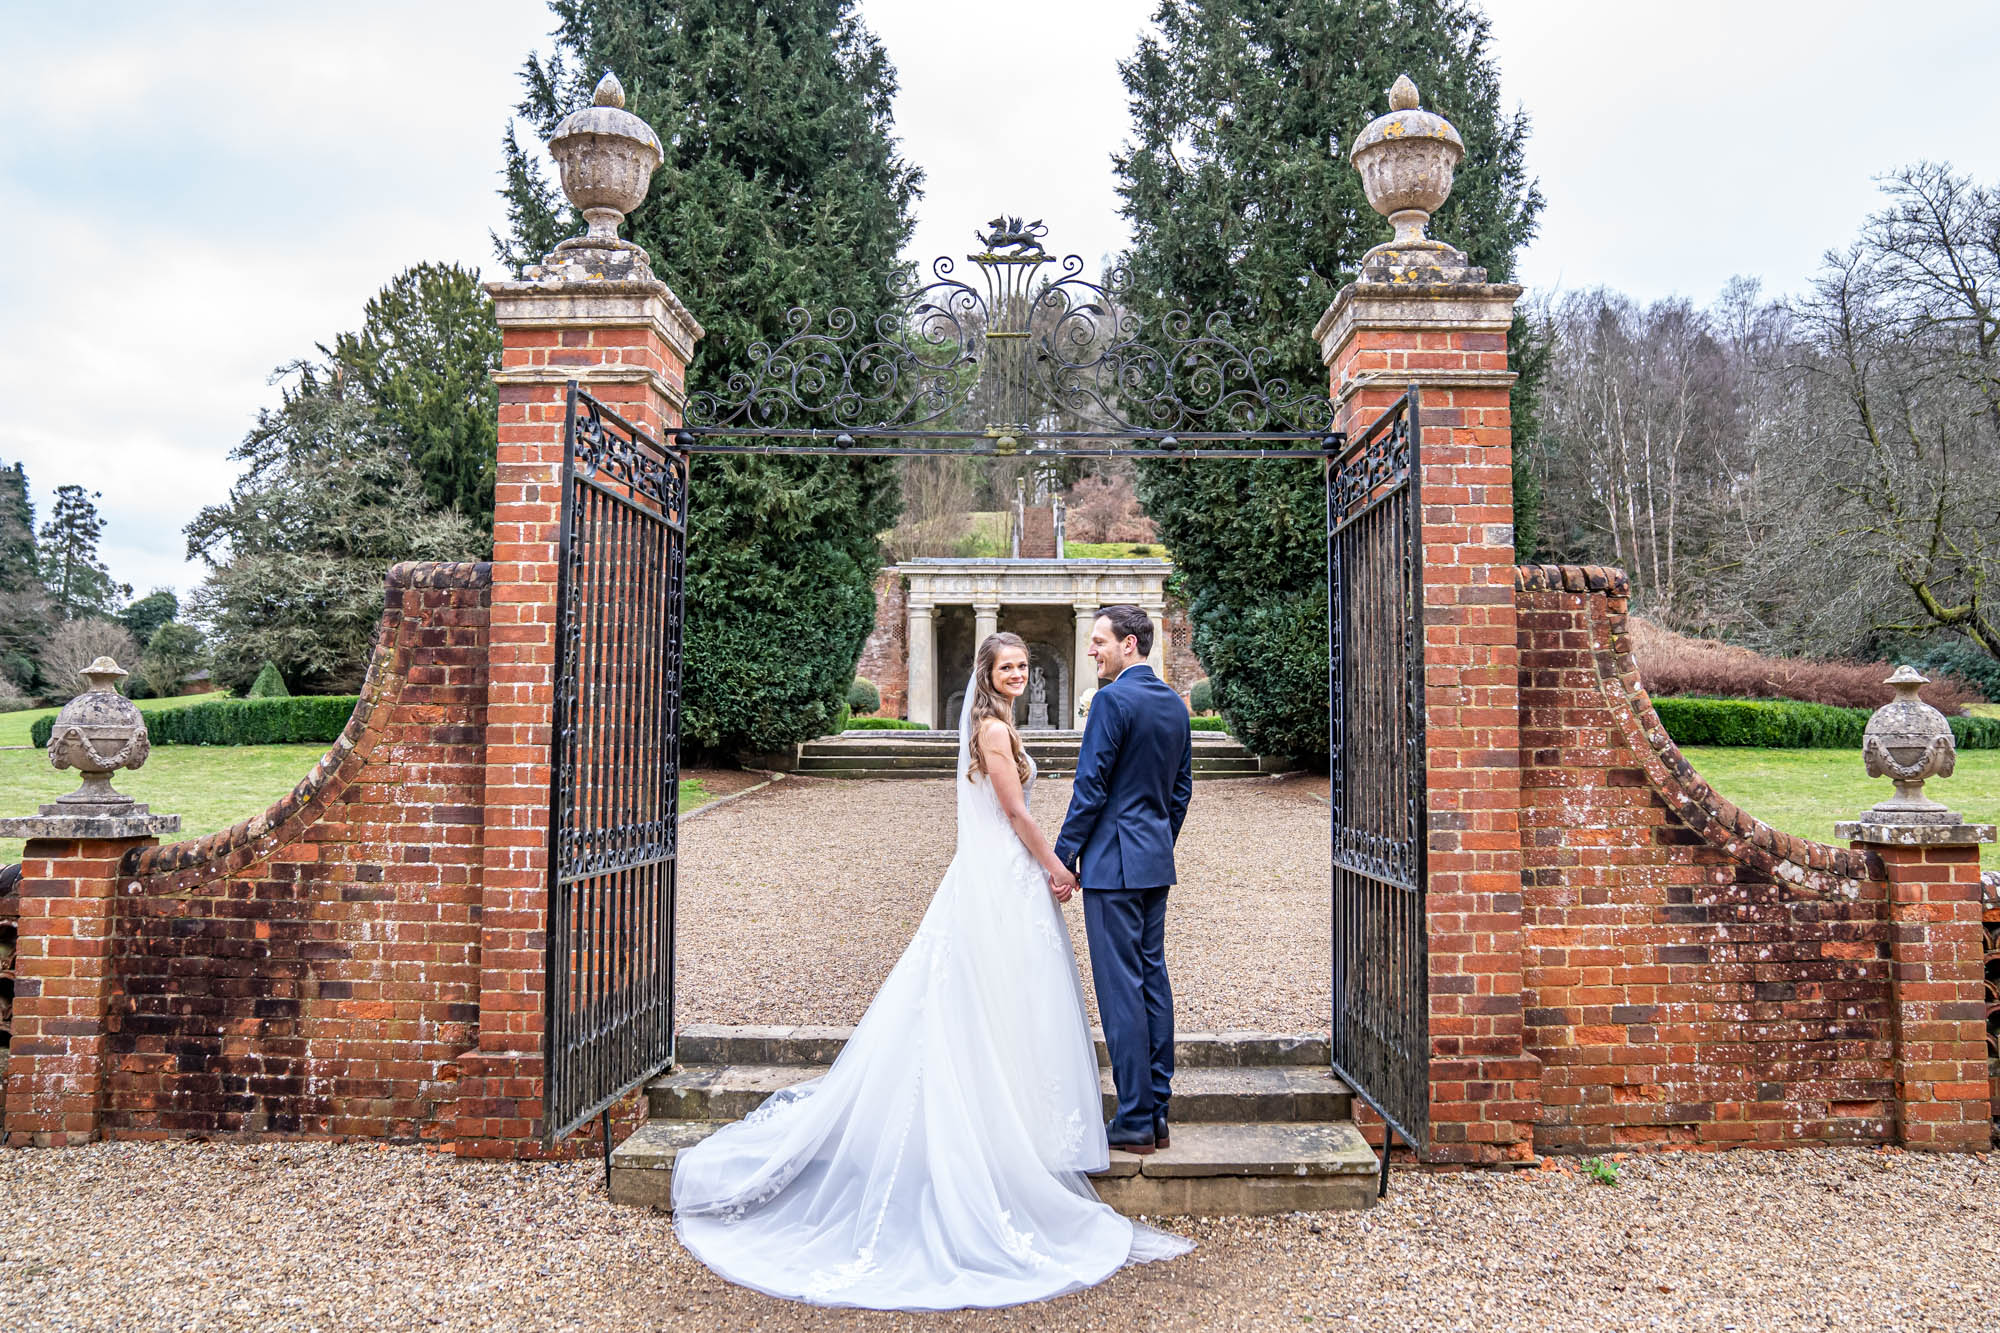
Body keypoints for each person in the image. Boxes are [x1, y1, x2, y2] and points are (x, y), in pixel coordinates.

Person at [671, 632, 1192, 1310]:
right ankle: (1104, 1110)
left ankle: (1095, 1111)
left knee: (1025, 995)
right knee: (1013, 993)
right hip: (1015, 874)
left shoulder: (1016, 722)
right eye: (1008, 667)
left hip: (1024, 872)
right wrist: (1058, 862)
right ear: (988, 673)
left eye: (1024, 666)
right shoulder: (1000, 730)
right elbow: (1016, 811)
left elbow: (1093, 789)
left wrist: (1065, 857)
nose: (1018, 675)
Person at [1054, 605, 1193, 1154]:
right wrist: (1156, 842)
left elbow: (1091, 787)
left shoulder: (1112, 701)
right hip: (1153, 862)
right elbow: (1180, 792)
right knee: (1152, 982)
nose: (1092, 650)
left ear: (1130, 645)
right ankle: (1157, 1111)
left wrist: (1065, 857)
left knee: (1120, 991)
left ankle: (1134, 1117)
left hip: (1113, 865)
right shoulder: (1173, 705)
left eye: (1100, 642)